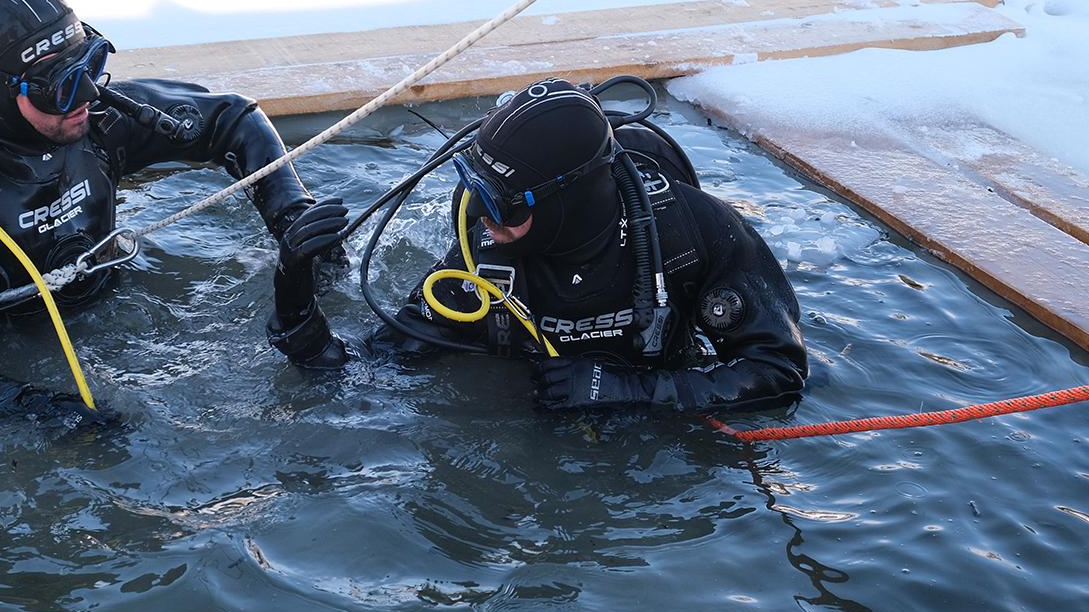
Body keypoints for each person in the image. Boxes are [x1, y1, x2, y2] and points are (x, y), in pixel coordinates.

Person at [0, 0, 332, 424]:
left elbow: (232, 118)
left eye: (90, 67)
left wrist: (290, 212)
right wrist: (38, 409)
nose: (86, 99)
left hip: (117, 309)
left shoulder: (93, 120)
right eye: (61, 88)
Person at [267, 78, 807, 414]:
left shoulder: (688, 233)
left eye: (503, 204)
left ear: (568, 202)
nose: (480, 217)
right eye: (477, 194)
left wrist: (633, 391)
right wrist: (294, 302)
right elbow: (363, 374)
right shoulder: (484, 256)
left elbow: (780, 370)